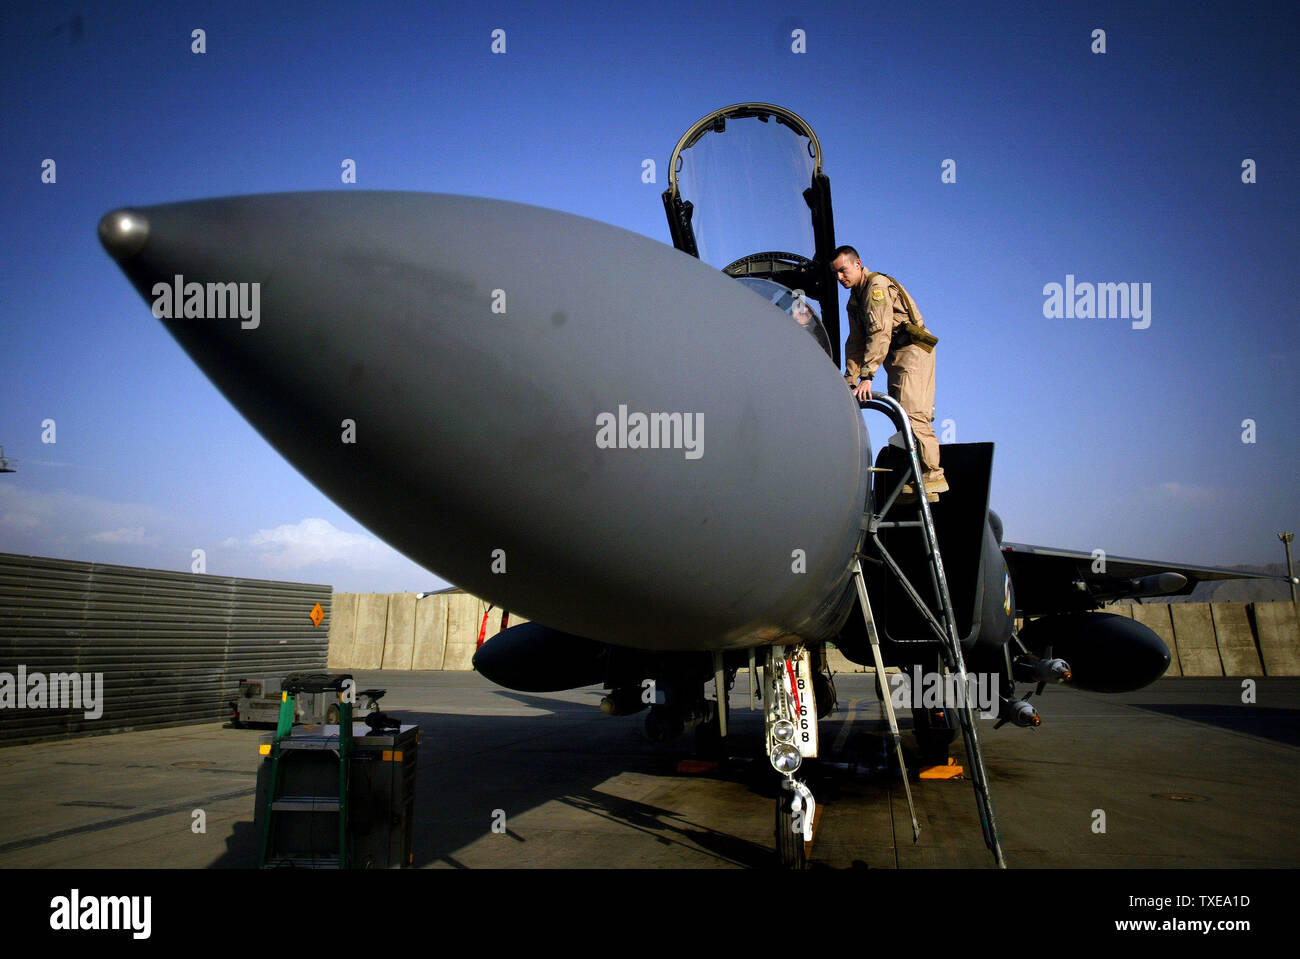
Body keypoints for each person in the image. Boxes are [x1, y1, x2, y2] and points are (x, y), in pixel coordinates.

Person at [831, 245, 947, 499]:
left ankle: (933, 475)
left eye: (843, 270)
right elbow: (856, 342)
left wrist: (867, 377)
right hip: (895, 356)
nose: (840, 278)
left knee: (913, 412)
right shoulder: (855, 300)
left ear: (858, 263)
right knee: (902, 415)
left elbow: (880, 332)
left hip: (913, 352)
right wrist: (849, 381)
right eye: (836, 274)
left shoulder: (876, 288)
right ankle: (918, 479)